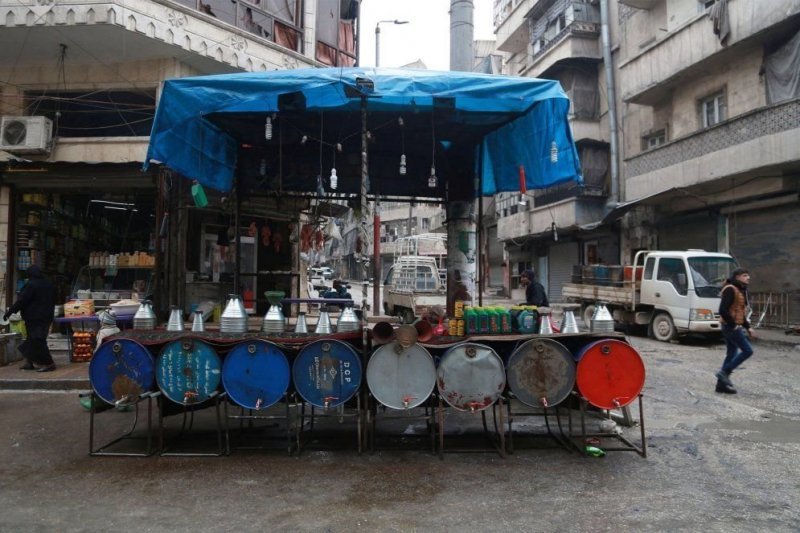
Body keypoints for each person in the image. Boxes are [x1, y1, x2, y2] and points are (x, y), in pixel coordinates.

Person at [4, 265, 57, 372]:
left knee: (37, 340)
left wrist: (10, 311)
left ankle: (48, 363)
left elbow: (22, 301)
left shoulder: (31, 285)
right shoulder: (49, 284)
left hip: (34, 317)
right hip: (46, 317)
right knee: (32, 339)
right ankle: (29, 361)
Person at [715, 268, 756, 394]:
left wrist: (748, 327)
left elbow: (739, 312)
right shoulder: (730, 289)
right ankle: (723, 372)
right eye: (745, 275)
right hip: (730, 326)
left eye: (748, 275)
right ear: (737, 277)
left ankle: (721, 386)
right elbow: (722, 310)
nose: (748, 278)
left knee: (731, 354)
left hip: (732, 326)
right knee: (748, 350)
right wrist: (733, 325)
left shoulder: (740, 290)